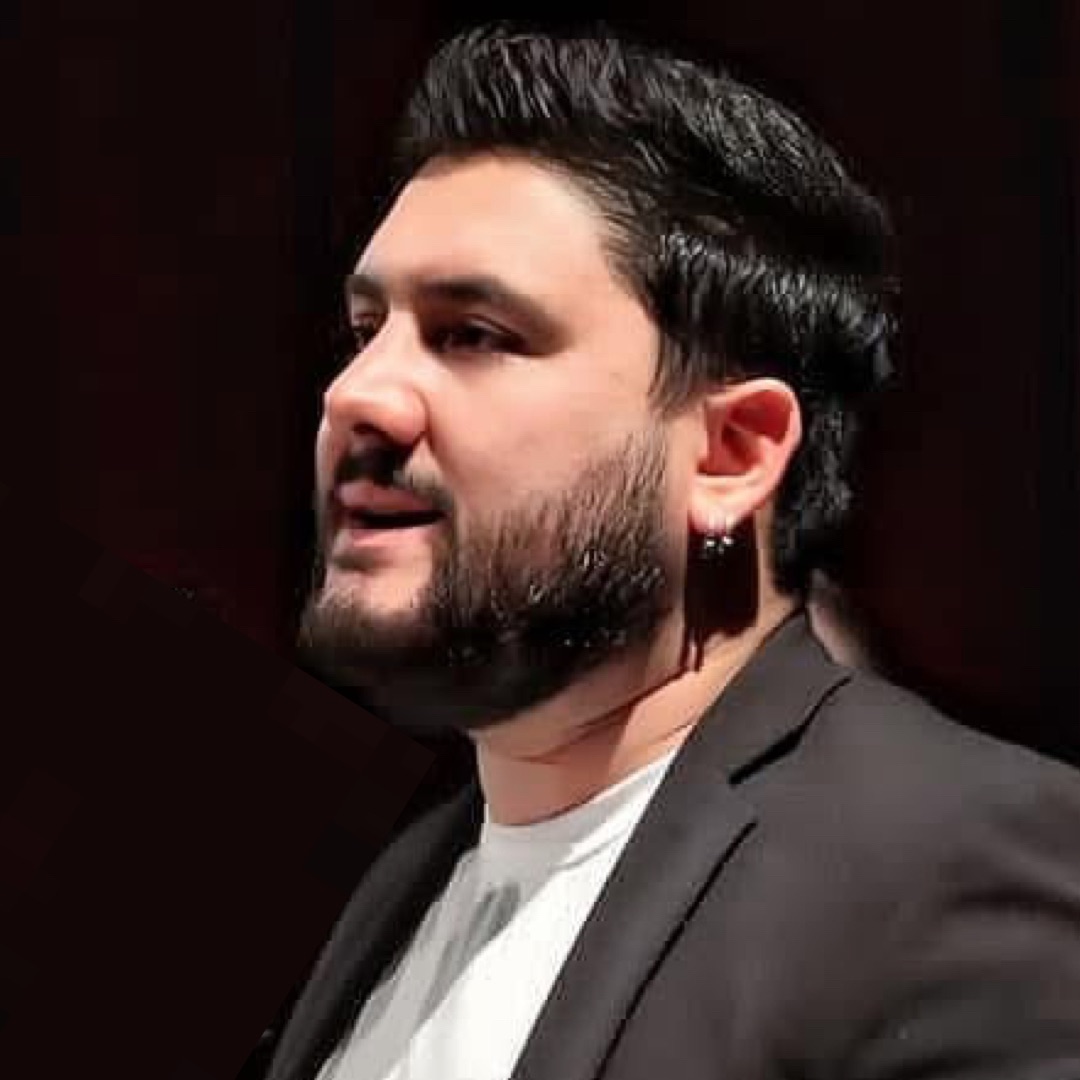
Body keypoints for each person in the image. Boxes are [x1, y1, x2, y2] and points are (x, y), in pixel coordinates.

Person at [269, 21, 1080, 1080]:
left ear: (732, 453)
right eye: (364, 330)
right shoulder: (405, 878)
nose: (356, 394)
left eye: (474, 334)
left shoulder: (957, 859)